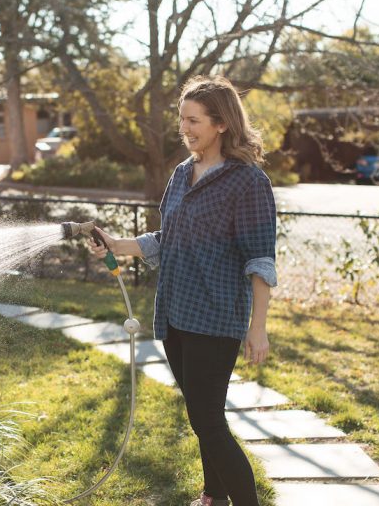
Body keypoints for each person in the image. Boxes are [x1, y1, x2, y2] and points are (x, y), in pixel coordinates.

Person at [88, 75, 277, 506]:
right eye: (182, 120)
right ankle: (213, 496)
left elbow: (260, 260)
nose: (185, 128)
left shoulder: (247, 181)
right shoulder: (180, 173)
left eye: (194, 120)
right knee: (201, 417)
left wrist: (258, 327)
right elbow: (166, 238)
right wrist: (117, 245)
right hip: (175, 313)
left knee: (207, 419)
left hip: (216, 316)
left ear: (222, 123)